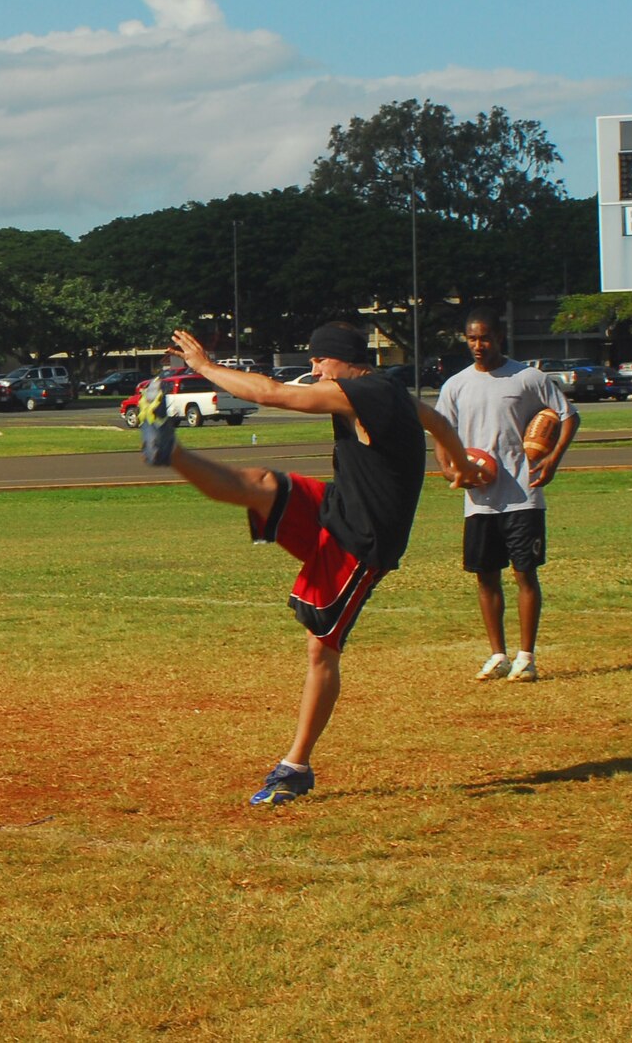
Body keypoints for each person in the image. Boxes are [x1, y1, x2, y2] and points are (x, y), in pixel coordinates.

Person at [136, 323, 473, 806]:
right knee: (260, 483)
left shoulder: (368, 391)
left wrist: (206, 368)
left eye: (318, 362)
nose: (312, 371)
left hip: (362, 540)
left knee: (322, 649)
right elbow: (438, 421)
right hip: (337, 507)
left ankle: (296, 766)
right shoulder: (388, 389)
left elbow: (273, 394)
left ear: (343, 362)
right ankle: (171, 451)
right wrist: (455, 462)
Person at [432, 309, 577, 683]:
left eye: (485, 338)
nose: (478, 346)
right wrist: (451, 471)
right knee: (485, 576)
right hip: (480, 499)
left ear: (500, 336)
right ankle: (497, 655)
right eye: (471, 339)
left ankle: (525, 657)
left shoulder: (528, 378)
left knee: (524, 573)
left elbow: (567, 416)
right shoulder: (455, 386)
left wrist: (552, 460)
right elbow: (441, 435)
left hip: (522, 494)